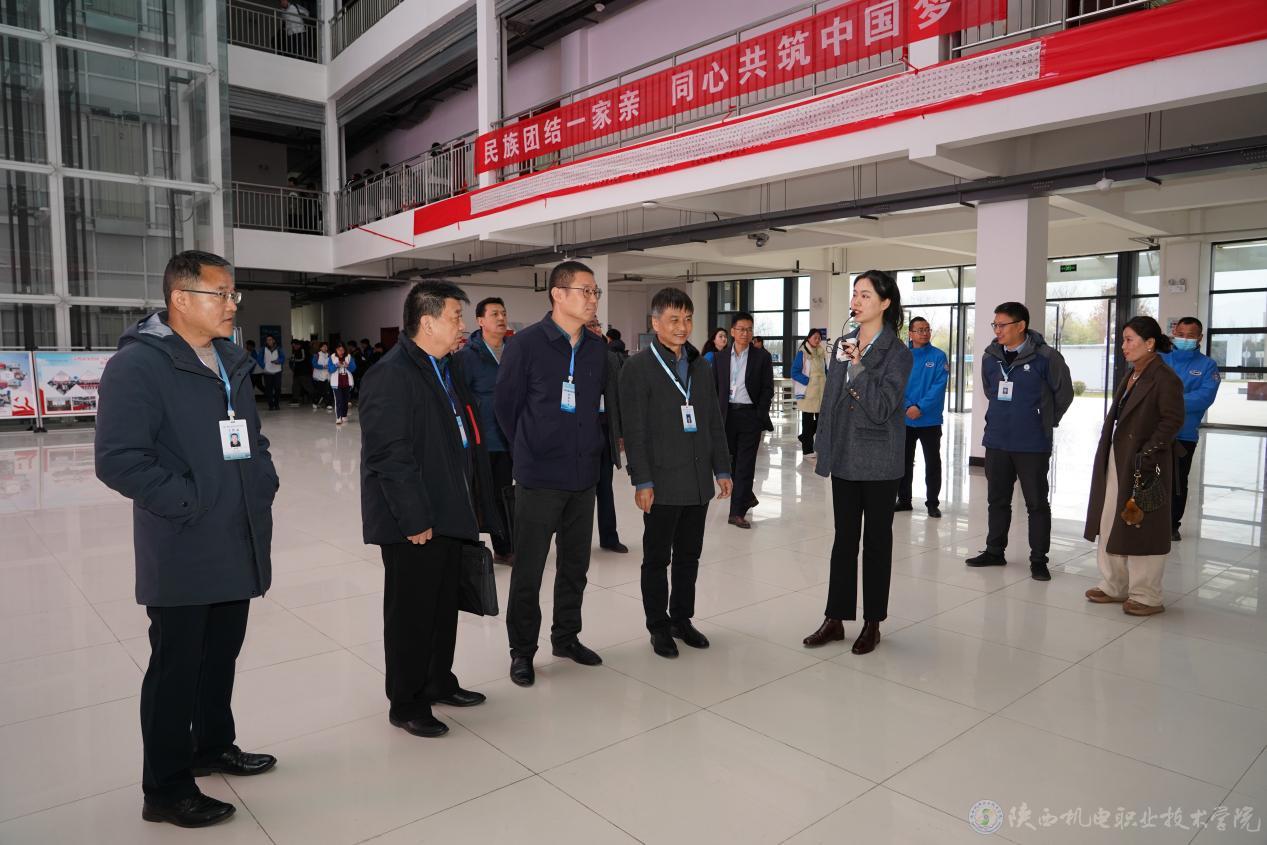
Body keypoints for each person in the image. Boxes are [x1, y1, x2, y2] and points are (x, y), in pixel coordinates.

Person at [95, 251, 279, 828]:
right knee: (176, 667)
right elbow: (119, 459)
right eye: (219, 294)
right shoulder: (138, 366)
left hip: (237, 533)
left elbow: (251, 438)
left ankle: (212, 746)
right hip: (184, 541)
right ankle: (166, 788)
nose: (231, 305)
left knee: (221, 653)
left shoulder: (229, 359)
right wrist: (191, 502)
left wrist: (261, 481)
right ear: (180, 299)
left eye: (233, 294)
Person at [360, 281, 503, 738]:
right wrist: (414, 518)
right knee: (412, 614)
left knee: (443, 606)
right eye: (456, 317)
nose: (462, 325)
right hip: (415, 520)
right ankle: (406, 701)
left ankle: (439, 680)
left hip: (448, 507)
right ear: (427, 322)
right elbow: (389, 455)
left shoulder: (446, 366)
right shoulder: (392, 374)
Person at [495, 260, 609, 687]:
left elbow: (599, 408)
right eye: (585, 290)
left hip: (583, 476)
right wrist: (531, 447)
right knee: (529, 570)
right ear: (558, 294)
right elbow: (505, 408)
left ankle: (566, 637)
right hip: (539, 477)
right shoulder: (525, 345)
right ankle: (522, 651)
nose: (593, 298)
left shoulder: (597, 348)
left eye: (595, 292)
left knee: (575, 566)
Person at [803, 270, 911, 656]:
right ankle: (835, 618)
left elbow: (882, 407)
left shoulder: (898, 353)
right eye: (855, 294)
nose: (857, 301)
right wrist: (823, 446)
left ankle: (872, 622)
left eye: (866, 295)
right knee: (843, 540)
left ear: (885, 302)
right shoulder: (843, 343)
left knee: (877, 543)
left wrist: (860, 366)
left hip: (880, 459)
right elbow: (832, 398)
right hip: (846, 456)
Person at [620, 288, 732, 658]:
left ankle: (682, 619)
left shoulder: (700, 365)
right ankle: (658, 626)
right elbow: (634, 430)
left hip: (697, 480)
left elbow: (713, 421)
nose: (682, 327)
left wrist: (722, 468)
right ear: (655, 323)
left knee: (689, 556)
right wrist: (642, 480)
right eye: (673, 319)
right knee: (656, 559)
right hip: (662, 481)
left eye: (687, 319)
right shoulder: (637, 368)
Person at [1084, 317, 1184, 616]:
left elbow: (1172, 420)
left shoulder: (1165, 378)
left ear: (1149, 343)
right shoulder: (1133, 374)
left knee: (1143, 524)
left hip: (1146, 463)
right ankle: (1114, 585)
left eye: (1129, 340)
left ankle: (1147, 595)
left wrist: (1147, 452)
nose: (1124, 346)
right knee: (1109, 518)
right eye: (1123, 340)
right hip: (1119, 458)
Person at [966, 302, 1073, 582]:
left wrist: (1044, 420)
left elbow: (1064, 394)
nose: (997, 330)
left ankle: (1038, 559)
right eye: (995, 325)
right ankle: (994, 551)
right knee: (997, 500)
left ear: (1021, 326)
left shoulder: (1047, 357)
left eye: (1002, 325)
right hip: (997, 441)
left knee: (1036, 503)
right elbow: (990, 391)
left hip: (1032, 444)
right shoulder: (990, 357)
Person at [457, 297, 515, 563]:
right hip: (482, 440)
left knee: (505, 494)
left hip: (510, 439)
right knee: (477, 496)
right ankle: (473, 548)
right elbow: (460, 400)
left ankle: (505, 547)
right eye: (495, 314)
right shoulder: (467, 357)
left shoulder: (514, 352)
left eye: (503, 313)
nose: (501, 318)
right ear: (480, 321)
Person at [712, 312, 774, 529]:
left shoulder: (762, 357)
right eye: (741, 329)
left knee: (746, 464)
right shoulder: (720, 358)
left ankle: (737, 512)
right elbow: (714, 389)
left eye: (749, 329)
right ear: (732, 331)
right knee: (730, 463)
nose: (745, 333)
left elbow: (767, 388)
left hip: (750, 416)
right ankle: (746, 496)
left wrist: (760, 414)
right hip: (727, 416)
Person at [1161, 317, 1220, 540]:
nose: (1184, 338)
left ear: (1200, 338)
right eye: (1181, 334)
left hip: (1184, 434)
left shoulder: (1207, 366)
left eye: (1190, 335)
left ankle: (1171, 524)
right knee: (1151, 478)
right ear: (1174, 333)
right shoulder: (1161, 359)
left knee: (1177, 481)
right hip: (1155, 431)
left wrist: (1169, 401)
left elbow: (1204, 397)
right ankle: (1149, 522)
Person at [897, 316, 949, 518]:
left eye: (927, 329)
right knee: (903, 462)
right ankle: (904, 500)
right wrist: (908, 406)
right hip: (905, 419)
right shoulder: (902, 357)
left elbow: (939, 386)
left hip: (930, 419)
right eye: (920, 330)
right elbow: (896, 385)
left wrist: (920, 407)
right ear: (910, 334)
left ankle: (932, 503)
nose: (925, 333)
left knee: (932, 462)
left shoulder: (938, 356)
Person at [589, 316, 627, 554]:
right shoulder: (572, 355)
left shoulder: (611, 358)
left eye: (597, 325)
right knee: (579, 490)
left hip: (604, 429)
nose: (596, 329)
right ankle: (574, 540)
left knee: (605, 486)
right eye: (590, 325)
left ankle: (609, 537)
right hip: (580, 432)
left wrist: (620, 432)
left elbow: (620, 397)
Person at [791, 328, 827, 460]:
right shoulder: (803, 353)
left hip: (821, 392)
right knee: (807, 422)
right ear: (809, 338)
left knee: (822, 421)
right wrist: (808, 380)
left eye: (819, 338)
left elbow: (825, 370)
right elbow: (794, 372)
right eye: (815, 337)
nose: (817, 340)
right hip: (808, 393)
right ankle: (807, 450)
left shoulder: (821, 353)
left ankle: (804, 437)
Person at [328, 342, 357, 425]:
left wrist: (348, 366)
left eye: (342, 350)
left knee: (345, 400)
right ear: (336, 350)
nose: (341, 351)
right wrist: (336, 365)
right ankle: (338, 417)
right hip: (336, 381)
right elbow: (330, 370)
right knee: (339, 399)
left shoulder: (349, 356)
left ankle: (344, 415)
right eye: (339, 350)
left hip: (347, 381)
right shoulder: (332, 357)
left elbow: (354, 368)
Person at [256, 334, 285, 411]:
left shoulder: (279, 349)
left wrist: (278, 361)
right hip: (267, 372)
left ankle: (276, 404)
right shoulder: (263, 349)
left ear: (273, 340)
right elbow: (259, 359)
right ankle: (271, 405)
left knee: (277, 388)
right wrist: (264, 366)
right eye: (267, 340)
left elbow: (283, 358)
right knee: (268, 389)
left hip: (277, 371)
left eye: (270, 340)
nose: (268, 341)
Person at [289, 339, 311, 406]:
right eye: (292, 346)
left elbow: (303, 359)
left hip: (304, 372)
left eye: (294, 345)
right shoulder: (295, 351)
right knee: (295, 386)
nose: (293, 347)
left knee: (307, 386)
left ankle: (316, 397)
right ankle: (295, 400)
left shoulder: (303, 350)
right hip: (297, 372)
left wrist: (294, 360)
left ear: (298, 344)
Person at [311, 341, 332, 409]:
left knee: (327, 390)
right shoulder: (316, 355)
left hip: (327, 376)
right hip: (318, 376)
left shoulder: (329, 355)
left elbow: (331, 364)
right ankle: (315, 402)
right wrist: (323, 366)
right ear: (320, 348)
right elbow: (314, 364)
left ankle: (328, 404)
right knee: (319, 391)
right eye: (323, 347)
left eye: (326, 347)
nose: (325, 348)